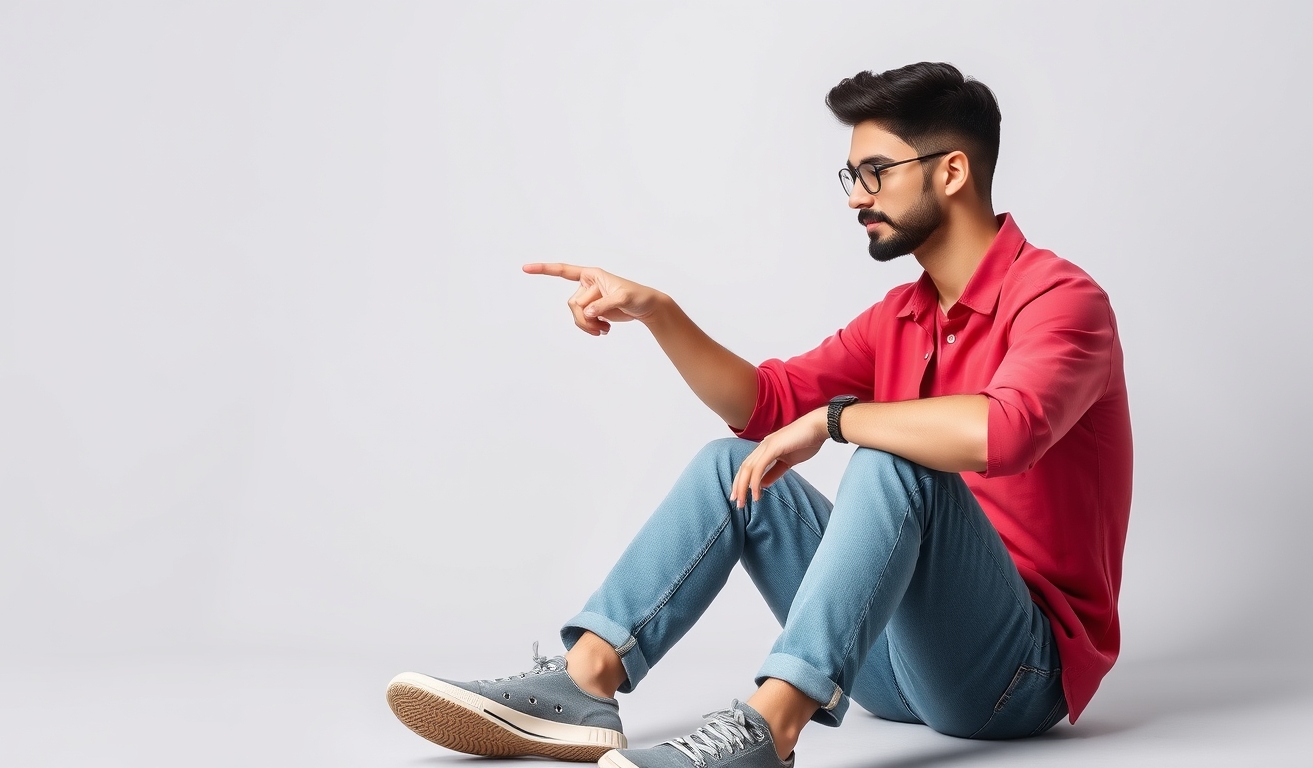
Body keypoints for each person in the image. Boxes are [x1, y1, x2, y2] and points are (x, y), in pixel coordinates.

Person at [385, 61, 1132, 768]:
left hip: (1012, 674)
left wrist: (836, 420)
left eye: (874, 172)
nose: (854, 197)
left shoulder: (1062, 302)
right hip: (886, 664)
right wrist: (659, 313)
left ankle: (769, 730)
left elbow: (1002, 433)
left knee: (891, 456)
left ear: (952, 170)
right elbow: (766, 407)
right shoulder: (902, 315)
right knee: (729, 466)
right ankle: (584, 683)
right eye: (850, 175)